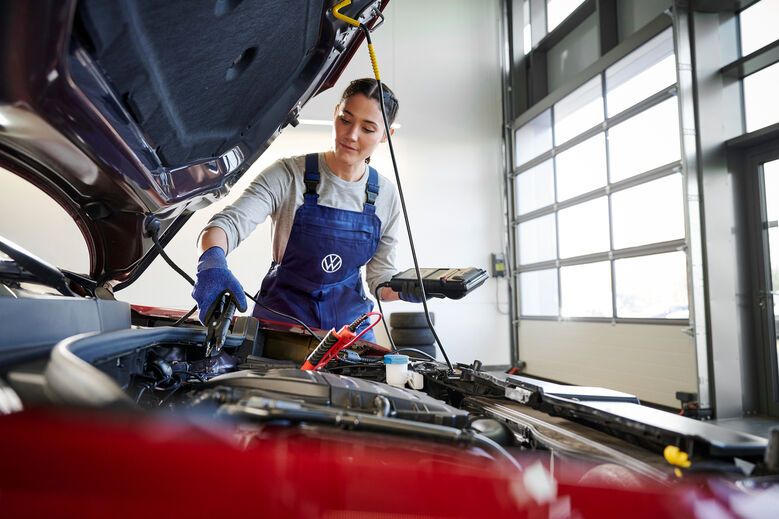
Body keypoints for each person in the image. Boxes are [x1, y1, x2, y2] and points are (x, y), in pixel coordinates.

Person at [192, 78, 422, 342]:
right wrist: (211, 262)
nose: (352, 134)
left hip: (349, 334)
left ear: (386, 136)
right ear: (335, 112)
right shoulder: (288, 175)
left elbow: (380, 280)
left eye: (368, 128)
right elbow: (227, 225)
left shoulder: (386, 194)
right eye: (345, 120)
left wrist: (411, 289)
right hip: (281, 326)